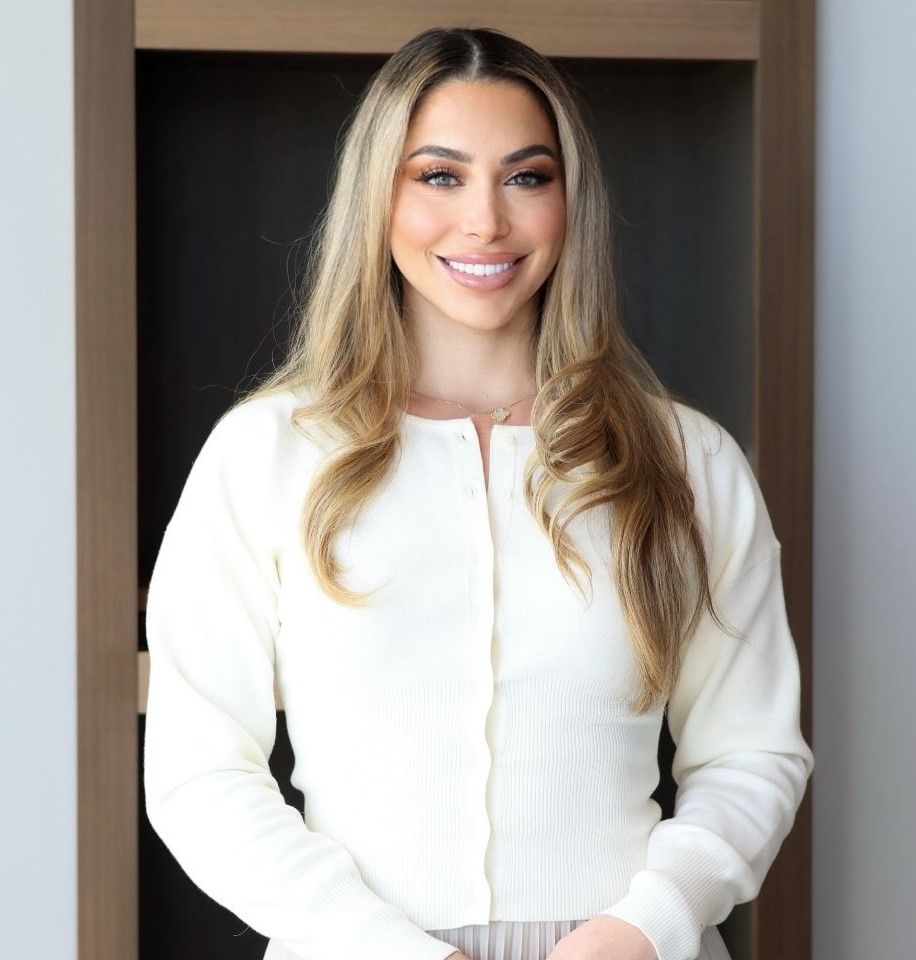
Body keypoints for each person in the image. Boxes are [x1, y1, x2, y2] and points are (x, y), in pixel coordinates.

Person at [142, 25, 814, 960]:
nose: (486, 222)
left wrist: (641, 931)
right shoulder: (264, 456)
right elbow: (197, 772)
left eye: (527, 177)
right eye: (440, 176)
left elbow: (752, 752)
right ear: (380, 197)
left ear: (570, 201)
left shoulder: (685, 462)